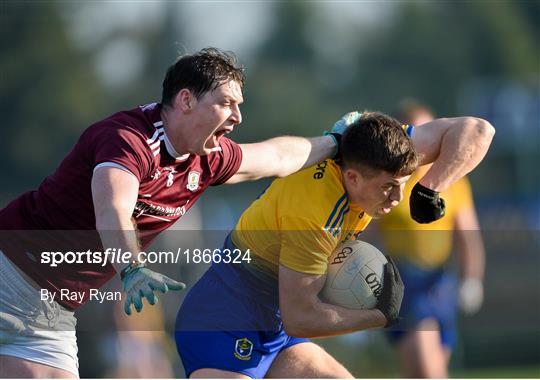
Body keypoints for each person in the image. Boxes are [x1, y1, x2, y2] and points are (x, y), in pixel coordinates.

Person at [0, 47, 346, 378]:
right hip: (8, 272)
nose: (238, 117)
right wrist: (131, 267)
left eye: (239, 106)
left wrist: (335, 142)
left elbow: (277, 157)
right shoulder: (129, 139)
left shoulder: (207, 157)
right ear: (186, 100)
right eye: (226, 103)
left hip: (51, 310)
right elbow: (113, 209)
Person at [175, 111, 494, 378]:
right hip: (223, 324)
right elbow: (300, 317)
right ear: (352, 178)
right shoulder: (315, 217)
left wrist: (429, 188)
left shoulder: (378, 150)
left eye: (401, 185)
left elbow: (477, 130)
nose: (396, 198)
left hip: (276, 327)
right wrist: (377, 316)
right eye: (387, 188)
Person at [378, 100, 486, 378]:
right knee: (425, 371)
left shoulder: (452, 178)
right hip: (403, 281)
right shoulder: (390, 179)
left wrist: (471, 278)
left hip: (438, 282)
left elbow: (467, 235)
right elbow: (367, 232)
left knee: (430, 371)